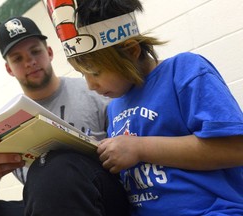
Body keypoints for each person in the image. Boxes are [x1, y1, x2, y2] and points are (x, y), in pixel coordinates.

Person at [43, 0, 243, 215]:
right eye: (83, 75)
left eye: (96, 72)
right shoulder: (114, 107)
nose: (90, 85)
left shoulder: (184, 71)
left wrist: (140, 148)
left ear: (131, 50)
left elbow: (235, 149)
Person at [0, 16, 130, 216]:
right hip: (42, 205)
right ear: (9, 69)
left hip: (101, 198)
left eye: (35, 51)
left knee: (54, 166)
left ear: (49, 52)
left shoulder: (97, 93)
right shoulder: (3, 124)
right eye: (17, 58)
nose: (30, 62)